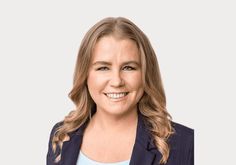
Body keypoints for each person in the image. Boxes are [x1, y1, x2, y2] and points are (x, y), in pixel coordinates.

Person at [46, 17, 194, 165]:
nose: (117, 81)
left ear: (145, 74)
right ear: (85, 74)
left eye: (128, 67)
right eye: (103, 68)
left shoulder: (185, 144)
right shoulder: (61, 136)